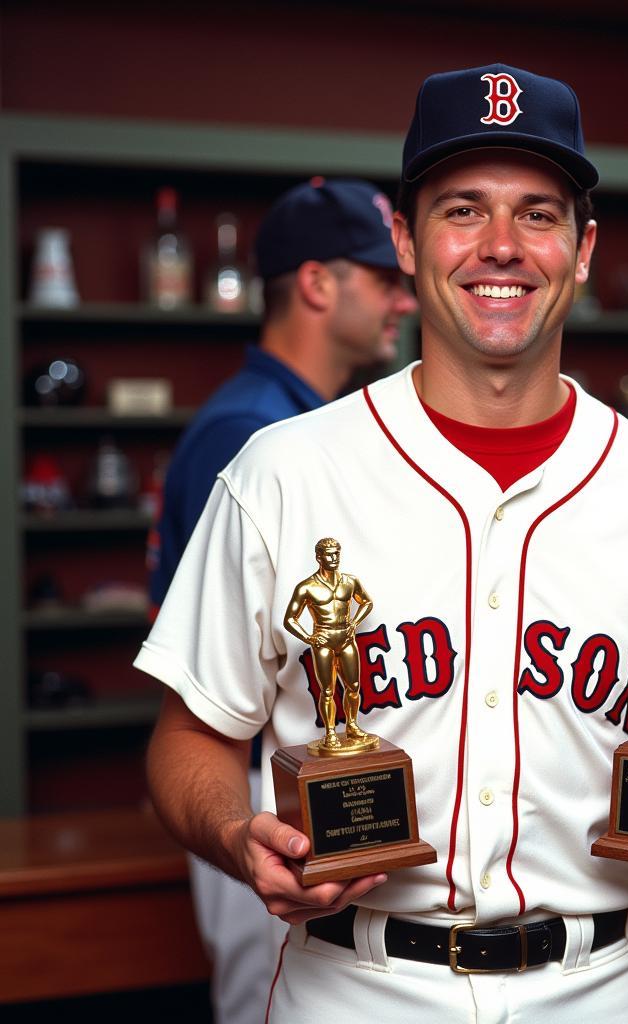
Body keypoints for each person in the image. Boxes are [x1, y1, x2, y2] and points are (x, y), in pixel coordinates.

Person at [137, 63, 628, 1023]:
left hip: (598, 988)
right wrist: (241, 834)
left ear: (582, 249)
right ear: (405, 241)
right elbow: (188, 735)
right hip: (353, 987)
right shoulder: (281, 473)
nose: (501, 247)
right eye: (462, 210)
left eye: (538, 214)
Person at [147, 176, 417, 1024]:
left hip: (309, 779)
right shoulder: (254, 434)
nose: (403, 301)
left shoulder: (307, 420)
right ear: (315, 283)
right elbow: (210, 661)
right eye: (384, 279)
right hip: (267, 786)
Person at [283, 537, 375, 751]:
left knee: (353, 687)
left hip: (346, 637)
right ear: (318, 557)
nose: (334, 558)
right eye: (329, 554)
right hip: (323, 640)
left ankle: (352, 725)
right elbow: (289, 619)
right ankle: (331, 732)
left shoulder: (350, 581)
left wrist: (354, 622)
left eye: (337, 553)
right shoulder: (306, 587)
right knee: (327, 690)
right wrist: (309, 638)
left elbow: (367, 602)